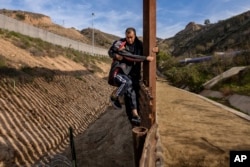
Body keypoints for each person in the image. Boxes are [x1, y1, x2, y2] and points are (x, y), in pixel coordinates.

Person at [108, 27, 153, 126]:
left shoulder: (139, 45)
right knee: (127, 89)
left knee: (132, 93)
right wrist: (115, 55)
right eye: (127, 37)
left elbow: (147, 51)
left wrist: (153, 52)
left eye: (131, 37)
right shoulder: (121, 44)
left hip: (134, 75)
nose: (129, 40)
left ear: (135, 35)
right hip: (121, 72)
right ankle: (116, 98)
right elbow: (112, 52)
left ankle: (135, 115)